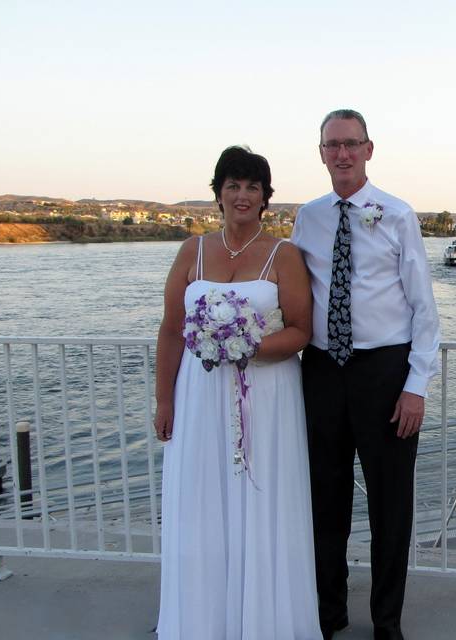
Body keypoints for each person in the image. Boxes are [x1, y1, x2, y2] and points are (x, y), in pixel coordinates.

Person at [154, 146, 321, 639]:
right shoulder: (192, 250)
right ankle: (203, 621)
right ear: (218, 194)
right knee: (202, 503)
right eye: (233, 185)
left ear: (266, 198)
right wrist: (165, 400)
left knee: (260, 500)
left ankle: (264, 620)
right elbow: (170, 329)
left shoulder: (283, 255)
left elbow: (300, 331)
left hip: (266, 397)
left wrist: (247, 347)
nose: (242, 195)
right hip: (199, 396)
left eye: (253, 187)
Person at [291, 110, 440, 640]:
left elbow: (424, 309)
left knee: (390, 508)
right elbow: (294, 296)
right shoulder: (307, 217)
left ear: (369, 149)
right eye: (333, 145)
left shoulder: (397, 214)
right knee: (324, 502)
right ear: (322, 152)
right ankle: (328, 616)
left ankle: (386, 624)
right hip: (323, 373)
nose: (343, 154)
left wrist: (416, 386)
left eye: (351, 144)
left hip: (385, 373)